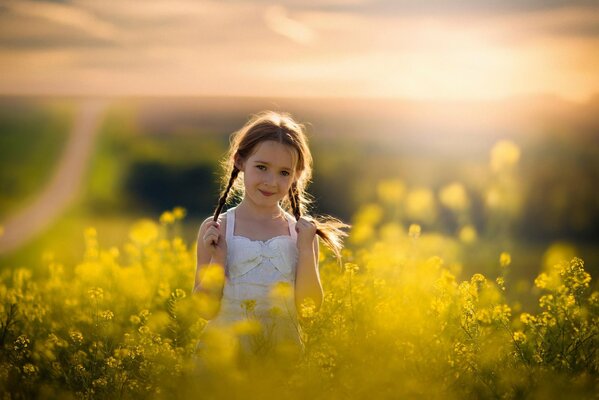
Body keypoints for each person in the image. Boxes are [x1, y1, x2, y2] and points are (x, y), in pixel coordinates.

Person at [193, 110, 348, 362]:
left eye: (284, 173)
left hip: (280, 363)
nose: (271, 181)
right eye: (262, 167)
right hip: (221, 362)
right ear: (240, 161)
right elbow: (204, 309)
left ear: (297, 175)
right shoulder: (217, 228)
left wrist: (307, 250)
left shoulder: (300, 235)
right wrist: (218, 260)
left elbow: (308, 311)